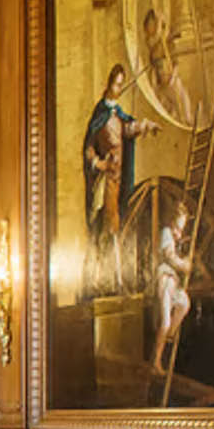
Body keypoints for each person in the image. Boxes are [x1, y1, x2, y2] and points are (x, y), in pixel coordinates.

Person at [84, 64, 157, 291]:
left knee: (115, 227)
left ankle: (115, 278)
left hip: (118, 177)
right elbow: (89, 148)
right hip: (106, 179)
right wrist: (100, 163)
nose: (119, 88)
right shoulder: (101, 114)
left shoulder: (117, 114)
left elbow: (127, 129)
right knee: (105, 228)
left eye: (121, 84)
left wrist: (146, 125)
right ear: (109, 84)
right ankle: (102, 279)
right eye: (116, 84)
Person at [151, 201, 194, 371]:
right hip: (165, 279)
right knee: (165, 322)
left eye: (181, 229)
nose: (179, 233)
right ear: (171, 223)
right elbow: (169, 256)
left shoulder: (173, 235)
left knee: (184, 303)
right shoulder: (166, 233)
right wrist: (184, 265)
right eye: (177, 227)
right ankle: (156, 362)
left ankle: (168, 336)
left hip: (173, 281)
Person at [141, 8, 195, 124]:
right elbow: (155, 44)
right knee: (169, 111)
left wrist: (173, 77)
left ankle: (187, 121)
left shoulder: (165, 43)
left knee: (184, 104)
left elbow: (175, 62)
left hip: (172, 80)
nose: (151, 27)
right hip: (162, 85)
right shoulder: (153, 43)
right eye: (149, 25)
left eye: (153, 24)